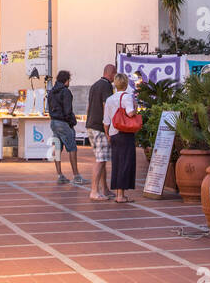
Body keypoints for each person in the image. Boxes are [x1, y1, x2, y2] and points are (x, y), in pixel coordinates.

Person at [103, 73, 140, 204]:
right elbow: (130, 113)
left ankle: (118, 192)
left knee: (117, 163)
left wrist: (107, 135)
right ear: (126, 83)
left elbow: (106, 121)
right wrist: (135, 107)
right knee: (126, 163)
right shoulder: (127, 97)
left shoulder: (109, 99)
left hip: (113, 133)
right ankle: (121, 195)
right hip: (125, 133)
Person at [46, 70, 85, 186]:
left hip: (53, 122)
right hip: (63, 123)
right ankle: (76, 176)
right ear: (66, 80)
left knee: (57, 148)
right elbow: (68, 110)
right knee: (72, 148)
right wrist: (72, 121)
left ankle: (60, 175)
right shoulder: (65, 92)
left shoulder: (51, 92)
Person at [85, 64, 115, 201]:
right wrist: (108, 129)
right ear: (112, 73)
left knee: (102, 159)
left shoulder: (95, 85)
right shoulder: (106, 86)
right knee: (101, 159)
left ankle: (105, 189)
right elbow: (106, 107)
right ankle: (94, 191)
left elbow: (89, 106)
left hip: (91, 125)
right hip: (99, 127)